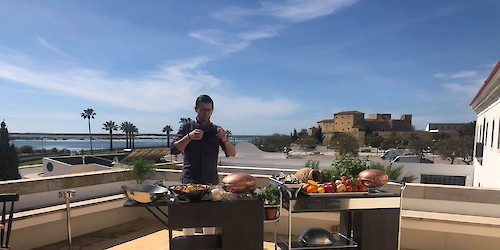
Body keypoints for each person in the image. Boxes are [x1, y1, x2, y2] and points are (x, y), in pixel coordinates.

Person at [171, 94, 236, 236]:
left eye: (209, 110)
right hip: (189, 182)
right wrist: (189, 137)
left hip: (210, 182)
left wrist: (225, 140)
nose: (206, 113)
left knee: (209, 219)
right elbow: (175, 149)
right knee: (188, 220)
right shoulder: (186, 127)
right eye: (203, 110)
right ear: (196, 109)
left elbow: (232, 153)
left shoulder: (217, 130)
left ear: (212, 111)